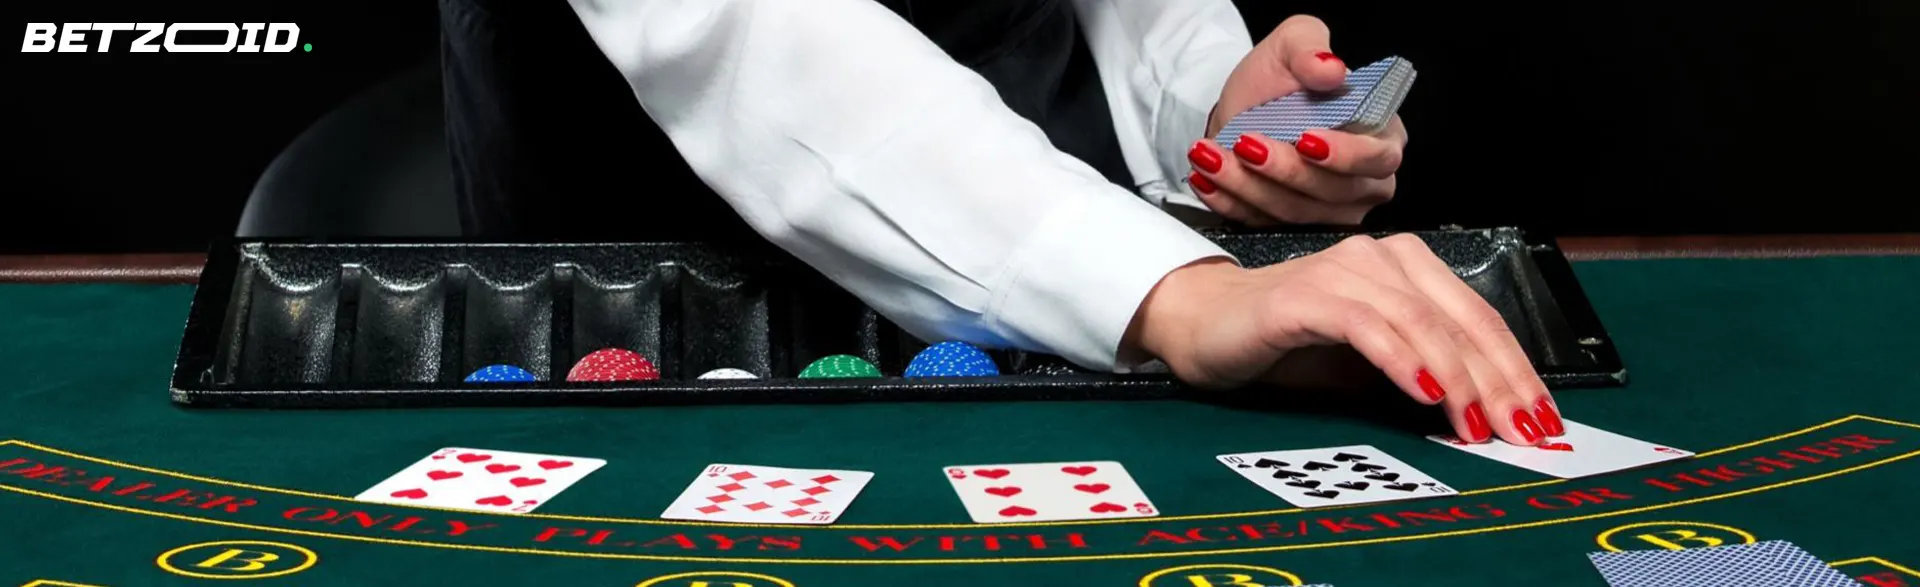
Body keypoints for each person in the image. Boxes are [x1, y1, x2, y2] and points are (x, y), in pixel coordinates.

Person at [438, 0, 1563, 447]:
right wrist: (1176, 291)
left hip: (1057, 306)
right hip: (653, 298)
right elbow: (752, 30)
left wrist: (1208, 111)